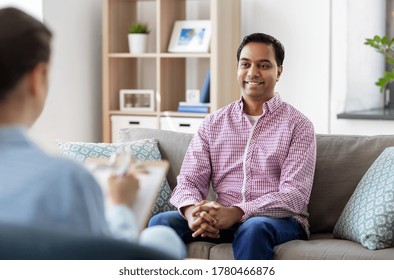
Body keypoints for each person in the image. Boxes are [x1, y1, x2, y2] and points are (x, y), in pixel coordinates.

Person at [0, 7, 185, 259]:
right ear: (37, 78)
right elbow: (108, 262)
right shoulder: (65, 181)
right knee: (163, 238)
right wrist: (120, 207)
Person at [149, 32, 317, 260]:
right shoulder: (213, 123)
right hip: (221, 218)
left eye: (264, 65)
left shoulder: (299, 125)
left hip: (277, 220)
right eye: (245, 64)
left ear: (279, 71)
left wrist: (238, 212)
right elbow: (189, 180)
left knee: (254, 227)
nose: (252, 73)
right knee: (161, 223)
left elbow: (294, 196)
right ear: (237, 69)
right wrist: (192, 213)